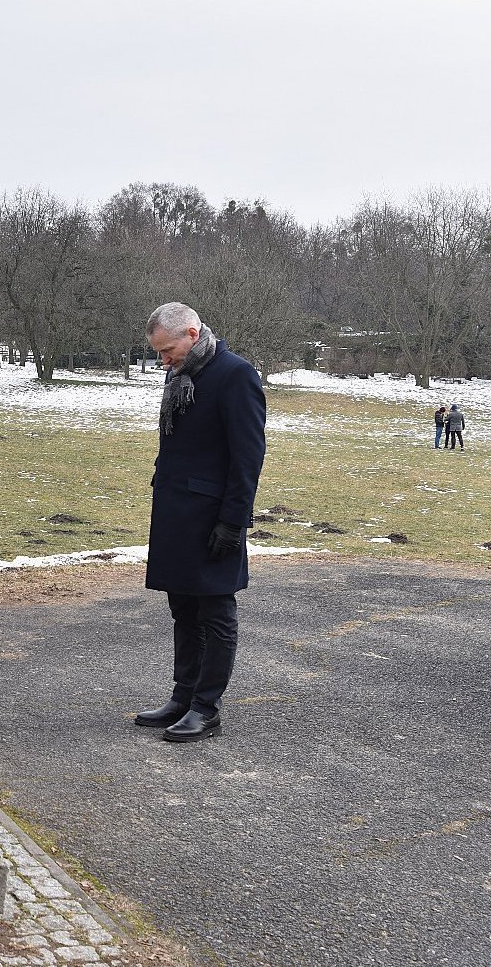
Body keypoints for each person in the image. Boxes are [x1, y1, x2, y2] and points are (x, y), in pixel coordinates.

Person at [133, 302, 267, 742]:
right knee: (183, 610)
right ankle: (183, 695)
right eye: (159, 353)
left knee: (216, 613)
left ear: (192, 334)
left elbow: (248, 457)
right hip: (176, 512)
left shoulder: (235, 374)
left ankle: (207, 708)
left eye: (168, 350)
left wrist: (233, 521)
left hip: (212, 518)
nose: (163, 360)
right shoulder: (182, 375)